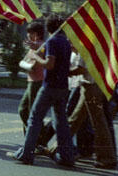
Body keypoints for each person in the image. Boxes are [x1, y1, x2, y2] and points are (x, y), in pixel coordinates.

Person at [10, 14, 75, 166]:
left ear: (48, 28)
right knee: (61, 122)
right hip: (63, 86)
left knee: (34, 118)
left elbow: (49, 64)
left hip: (50, 86)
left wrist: (36, 56)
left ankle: (26, 154)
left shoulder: (52, 41)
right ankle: (67, 156)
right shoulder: (65, 42)